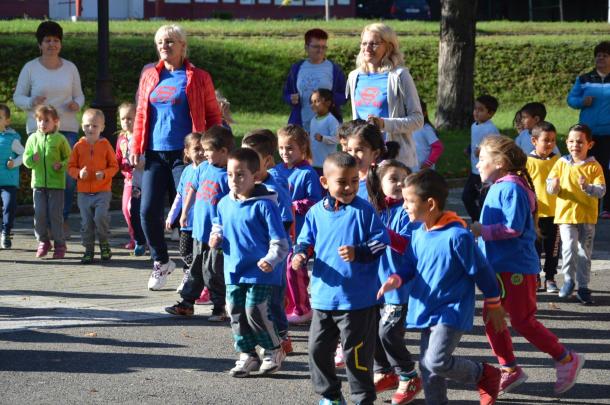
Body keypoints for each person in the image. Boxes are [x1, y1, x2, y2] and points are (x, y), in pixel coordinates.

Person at [379, 169, 505, 405]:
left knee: (435, 361)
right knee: (428, 367)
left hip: (452, 309)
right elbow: (410, 264)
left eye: (409, 201)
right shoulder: (418, 233)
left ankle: (484, 374)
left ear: (430, 203)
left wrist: (494, 301)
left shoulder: (458, 236)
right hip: (428, 307)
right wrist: (398, 278)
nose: (404, 205)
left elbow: (481, 270)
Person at [472, 135, 585, 396]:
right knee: (492, 319)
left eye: (482, 160)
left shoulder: (511, 187)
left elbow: (511, 228)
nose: (477, 165)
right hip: (498, 269)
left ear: (500, 162)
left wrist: (481, 231)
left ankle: (567, 358)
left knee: (522, 321)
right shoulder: (501, 185)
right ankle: (510, 370)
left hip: (516, 270)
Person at [291, 152, 390, 405]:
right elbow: (305, 240)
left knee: (356, 355)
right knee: (317, 350)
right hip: (324, 297)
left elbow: (381, 243)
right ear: (325, 183)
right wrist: (300, 255)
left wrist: (360, 252)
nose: (349, 187)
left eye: (355, 181)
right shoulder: (315, 213)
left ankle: (362, 398)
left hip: (357, 301)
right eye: (342, 182)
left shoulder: (364, 210)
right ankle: (331, 395)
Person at [131, 24, 222, 287]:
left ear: (183, 46)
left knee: (188, 213)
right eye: (160, 42)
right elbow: (140, 114)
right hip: (155, 153)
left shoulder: (198, 76)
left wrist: (215, 146)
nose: (164, 46)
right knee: (147, 211)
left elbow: (213, 114)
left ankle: (190, 269)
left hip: (186, 156)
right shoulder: (149, 75)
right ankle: (161, 260)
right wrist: (137, 148)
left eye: (170, 41)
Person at [210, 147, 289, 377]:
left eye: (240, 174)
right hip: (233, 270)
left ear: (255, 176)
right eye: (230, 174)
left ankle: (273, 349)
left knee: (255, 310)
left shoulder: (265, 205)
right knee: (235, 311)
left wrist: (270, 260)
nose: (234, 180)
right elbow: (219, 224)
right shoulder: (224, 203)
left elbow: (281, 242)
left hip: (261, 271)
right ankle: (247, 354)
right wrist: (216, 236)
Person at [13, 20, 85, 236]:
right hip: (39, 131)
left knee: (68, 176)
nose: (52, 44)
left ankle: (61, 219)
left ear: (60, 44)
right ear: (40, 44)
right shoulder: (30, 68)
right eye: (47, 41)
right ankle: (42, 223)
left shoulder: (70, 67)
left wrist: (77, 104)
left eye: (55, 40)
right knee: (42, 176)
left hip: (67, 128)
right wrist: (31, 101)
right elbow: (18, 97)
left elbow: (79, 94)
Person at [365, 159, 423, 405]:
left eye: (403, 178)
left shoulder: (409, 212)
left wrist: (382, 232)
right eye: (392, 179)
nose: (399, 183)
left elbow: (406, 245)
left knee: (387, 332)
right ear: (379, 183)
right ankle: (385, 372)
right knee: (372, 330)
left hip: (400, 287)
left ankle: (408, 375)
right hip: (376, 286)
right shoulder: (376, 210)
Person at [164, 126, 233, 322]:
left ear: (224, 151)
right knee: (195, 268)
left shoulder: (230, 174)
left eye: (208, 150)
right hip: (199, 230)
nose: (204, 154)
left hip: (217, 235)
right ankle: (187, 303)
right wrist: (184, 212)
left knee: (213, 271)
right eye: (202, 150)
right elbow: (191, 189)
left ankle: (219, 307)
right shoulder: (203, 168)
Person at [242, 129, 295, 354]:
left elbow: (285, 220)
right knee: (256, 296)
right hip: (254, 251)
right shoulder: (245, 186)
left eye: (253, 160)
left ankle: (282, 337)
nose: (247, 165)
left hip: (274, 252)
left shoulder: (274, 187)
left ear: (268, 161)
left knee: (273, 296)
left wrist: (274, 251)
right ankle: (265, 335)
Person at [346, 23, 423, 169]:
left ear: (389, 47)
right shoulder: (354, 76)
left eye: (374, 44)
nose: (367, 48)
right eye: (364, 43)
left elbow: (418, 120)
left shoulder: (399, 76)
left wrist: (384, 124)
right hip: (364, 159)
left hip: (393, 158)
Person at [547, 124, 606, 305]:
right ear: (566, 143)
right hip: (565, 216)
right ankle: (568, 280)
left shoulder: (594, 166)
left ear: (590, 144)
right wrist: (554, 186)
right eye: (571, 141)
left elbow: (601, 190)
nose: (575, 145)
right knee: (569, 247)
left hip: (587, 217)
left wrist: (587, 187)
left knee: (584, 252)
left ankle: (583, 286)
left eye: (580, 142)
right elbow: (550, 187)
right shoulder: (561, 163)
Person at [274, 124, 322, 324]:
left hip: (301, 232)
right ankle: (288, 306)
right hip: (279, 231)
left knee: (294, 269)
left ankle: (303, 308)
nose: (285, 152)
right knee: (281, 271)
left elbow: (315, 201)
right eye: (282, 148)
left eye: (290, 148)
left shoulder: (307, 173)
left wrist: (292, 204)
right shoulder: (275, 170)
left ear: (303, 148)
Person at [68, 109, 119, 264]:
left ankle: (104, 242)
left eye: (95, 126)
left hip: (102, 191)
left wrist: (104, 174)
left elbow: (114, 166)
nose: (91, 129)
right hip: (84, 193)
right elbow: (70, 167)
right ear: (82, 126)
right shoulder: (78, 146)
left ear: (102, 127)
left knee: (100, 218)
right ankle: (89, 250)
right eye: (87, 125)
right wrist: (78, 173)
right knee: (86, 223)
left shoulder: (105, 145)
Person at [567, 41, 610, 218]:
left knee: (606, 169)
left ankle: (606, 207)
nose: (600, 58)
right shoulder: (584, 79)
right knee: (588, 167)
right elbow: (571, 100)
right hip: (588, 133)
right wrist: (582, 102)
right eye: (598, 55)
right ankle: (589, 204)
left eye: (605, 55)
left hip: (608, 132)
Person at [23, 105, 71, 259]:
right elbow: (25, 159)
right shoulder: (32, 138)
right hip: (38, 184)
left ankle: (59, 244)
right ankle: (43, 241)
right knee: (40, 215)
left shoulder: (60, 139)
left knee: (55, 215)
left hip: (56, 185)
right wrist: (31, 159)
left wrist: (61, 165)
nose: (42, 124)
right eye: (39, 120)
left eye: (46, 120)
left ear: (55, 121)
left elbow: (69, 158)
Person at [283, 28, 347, 133]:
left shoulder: (334, 69)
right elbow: (286, 93)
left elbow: (344, 96)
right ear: (306, 47)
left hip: (326, 125)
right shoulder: (297, 68)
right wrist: (291, 98)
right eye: (316, 46)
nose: (320, 50)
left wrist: (328, 99)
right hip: (301, 124)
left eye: (323, 47)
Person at [525, 122, 561, 293]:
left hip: (556, 214)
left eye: (553, 140)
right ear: (534, 141)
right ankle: (535, 277)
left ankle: (551, 278)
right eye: (546, 140)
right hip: (535, 214)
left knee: (553, 249)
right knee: (534, 249)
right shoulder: (527, 162)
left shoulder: (559, 161)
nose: (550, 144)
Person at [167, 132, 205, 293]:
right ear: (187, 152)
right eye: (197, 149)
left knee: (198, 253)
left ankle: (194, 277)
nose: (201, 152)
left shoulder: (207, 169)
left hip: (201, 223)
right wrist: (172, 215)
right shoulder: (186, 171)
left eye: (204, 149)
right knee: (184, 251)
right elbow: (180, 196)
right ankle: (193, 272)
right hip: (187, 222)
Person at [462, 95, 499, 223]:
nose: (476, 112)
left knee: (484, 201)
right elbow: (476, 142)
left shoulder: (490, 128)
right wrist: (469, 148)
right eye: (475, 109)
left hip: (486, 173)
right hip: (475, 171)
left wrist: (484, 151)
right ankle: (477, 221)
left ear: (491, 113)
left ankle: (486, 224)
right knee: (466, 197)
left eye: (481, 110)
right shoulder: (474, 126)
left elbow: (496, 147)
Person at [115, 102, 146, 254]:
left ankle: (142, 237)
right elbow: (118, 157)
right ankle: (134, 237)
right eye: (123, 119)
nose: (126, 122)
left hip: (141, 179)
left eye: (130, 118)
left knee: (139, 209)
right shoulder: (121, 138)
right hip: (128, 180)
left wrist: (141, 163)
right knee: (126, 209)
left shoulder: (141, 137)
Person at [0, 104, 25, 249]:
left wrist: (14, 163)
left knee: (9, 206)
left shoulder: (12, 139)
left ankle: (6, 232)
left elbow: (24, 154)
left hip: (8, 183)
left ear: (7, 121)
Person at [345, 123, 387, 201]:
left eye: (359, 150)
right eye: (349, 150)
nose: (352, 155)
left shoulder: (383, 182)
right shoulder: (344, 178)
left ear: (376, 153)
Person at [309, 88, 340, 175]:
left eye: (317, 101)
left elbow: (337, 139)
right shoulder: (313, 120)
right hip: (314, 163)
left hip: (327, 164)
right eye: (312, 102)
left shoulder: (331, 120)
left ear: (328, 103)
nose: (313, 104)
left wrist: (323, 138)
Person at [411, 101, 443, 173]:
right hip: (412, 170)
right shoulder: (408, 129)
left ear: (424, 114)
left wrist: (428, 163)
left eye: (416, 113)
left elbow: (438, 147)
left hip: (424, 172)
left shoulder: (426, 129)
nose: (413, 116)